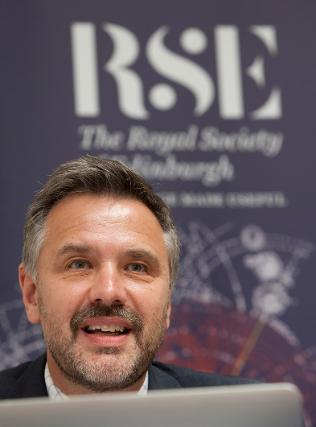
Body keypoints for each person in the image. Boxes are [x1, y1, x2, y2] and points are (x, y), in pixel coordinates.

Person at [0, 155, 253, 400]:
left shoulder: (249, 416)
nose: (109, 292)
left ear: (167, 303)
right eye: (79, 264)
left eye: (137, 267)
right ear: (32, 295)